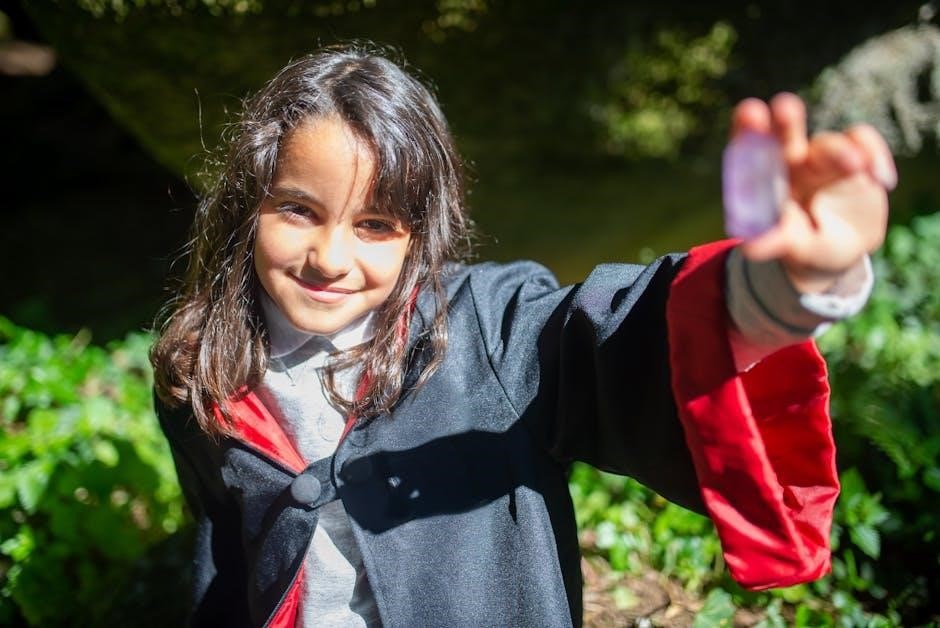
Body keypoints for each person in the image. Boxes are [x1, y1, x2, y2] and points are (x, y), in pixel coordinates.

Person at [150, 45, 894, 628]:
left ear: (421, 234)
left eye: (375, 224)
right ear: (248, 203)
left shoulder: (492, 329)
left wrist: (780, 286)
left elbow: (622, 337)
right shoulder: (204, 366)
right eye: (298, 210)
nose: (330, 257)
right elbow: (230, 553)